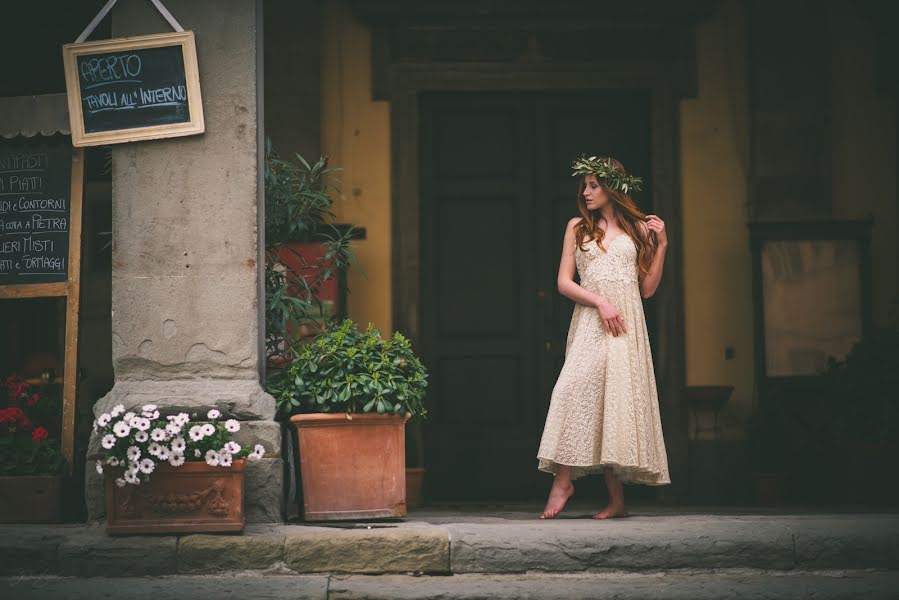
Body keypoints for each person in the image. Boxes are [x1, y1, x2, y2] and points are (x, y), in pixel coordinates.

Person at [537, 155, 671, 520]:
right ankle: (563, 480)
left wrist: (661, 247)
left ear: (613, 188)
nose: (586, 191)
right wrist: (599, 302)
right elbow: (564, 283)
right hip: (591, 324)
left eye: (594, 185)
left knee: (614, 406)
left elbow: (646, 290)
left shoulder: (638, 230)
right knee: (571, 390)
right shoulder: (577, 227)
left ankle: (617, 502)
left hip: (626, 328)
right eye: (586, 185)